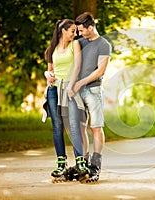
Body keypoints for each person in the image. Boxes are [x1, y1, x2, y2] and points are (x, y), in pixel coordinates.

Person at [43, 19, 90, 183]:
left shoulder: (74, 45)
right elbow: (50, 71)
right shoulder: (52, 49)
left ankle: (80, 162)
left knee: (73, 125)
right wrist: (47, 75)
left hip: (69, 88)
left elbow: (77, 66)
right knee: (57, 126)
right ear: (63, 30)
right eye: (72, 31)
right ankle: (61, 163)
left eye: (75, 31)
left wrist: (71, 86)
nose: (75, 34)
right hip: (54, 89)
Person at [68, 12, 111, 182]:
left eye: (81, 30)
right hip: (77, 93)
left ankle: (96, 164)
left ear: (90, 27)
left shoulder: (104, 44)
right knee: (79, 128)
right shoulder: (79, 43)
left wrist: (81, 82)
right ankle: (83, 163)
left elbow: (100, 71)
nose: (80, 34)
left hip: (93, 90)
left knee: (96, 127)